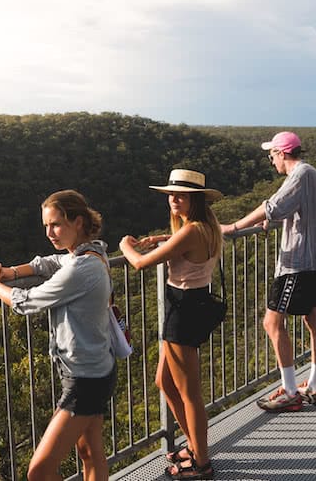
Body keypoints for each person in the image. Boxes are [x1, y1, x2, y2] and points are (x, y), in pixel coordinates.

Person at [0, 189, 116, 481]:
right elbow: (50, 263)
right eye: (46, 226)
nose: (49, 232)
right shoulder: (90, 252)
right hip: (95, 369)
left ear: (77, 222)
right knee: (91, 453)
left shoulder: (83, 268)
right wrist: (12, 271)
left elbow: (26, 302)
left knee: (39, 471)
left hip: (85, 380)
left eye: (56, 224)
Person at [222, 131, 316, 413]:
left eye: (271, 155)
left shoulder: (299, 175)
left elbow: (271, 206)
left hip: (298, 263)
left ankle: (289, 390)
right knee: (314, 318)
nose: (271, 160)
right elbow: (288, 209)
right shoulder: (312, 174)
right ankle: (315, 386)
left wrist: (234, 227)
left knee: (272, 323)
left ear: (283, 153)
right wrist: (272, 217)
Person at [119, 169, 222, 480]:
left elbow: (138, 263)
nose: (174, 199)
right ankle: (193, 445)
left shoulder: (192, 232)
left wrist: (126, 245)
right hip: (191, 305)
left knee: (189, 392)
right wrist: (162, 239)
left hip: (184, 311)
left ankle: (201, 462)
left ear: (196, 199)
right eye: (171, 194)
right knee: (164, 381)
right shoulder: (205, 226)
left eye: (182, 195)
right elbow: (182, 241)